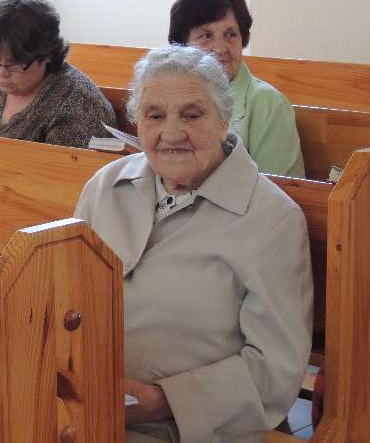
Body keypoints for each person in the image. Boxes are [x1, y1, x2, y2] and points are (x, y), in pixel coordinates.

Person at [74, 45, 313, 442]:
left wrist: (163, 401)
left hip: (186, 430)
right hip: (82, 410)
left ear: (224, 119)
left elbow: (275, 371)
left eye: (192, 114)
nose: (171, 133)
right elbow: (63, 291)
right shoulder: (105, 187)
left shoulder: (273, 220)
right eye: (154, 115)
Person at [169, 0, 305, 177]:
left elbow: (279, 191)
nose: (220, 48)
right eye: (206, 36)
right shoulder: (167, 94)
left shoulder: (268, 103)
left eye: (230, 34)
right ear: (182, 45)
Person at [0, 0, 116, 147]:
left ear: (47, 54)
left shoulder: (78, 104)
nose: (2, 73)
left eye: (14, 64)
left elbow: (64, 168)